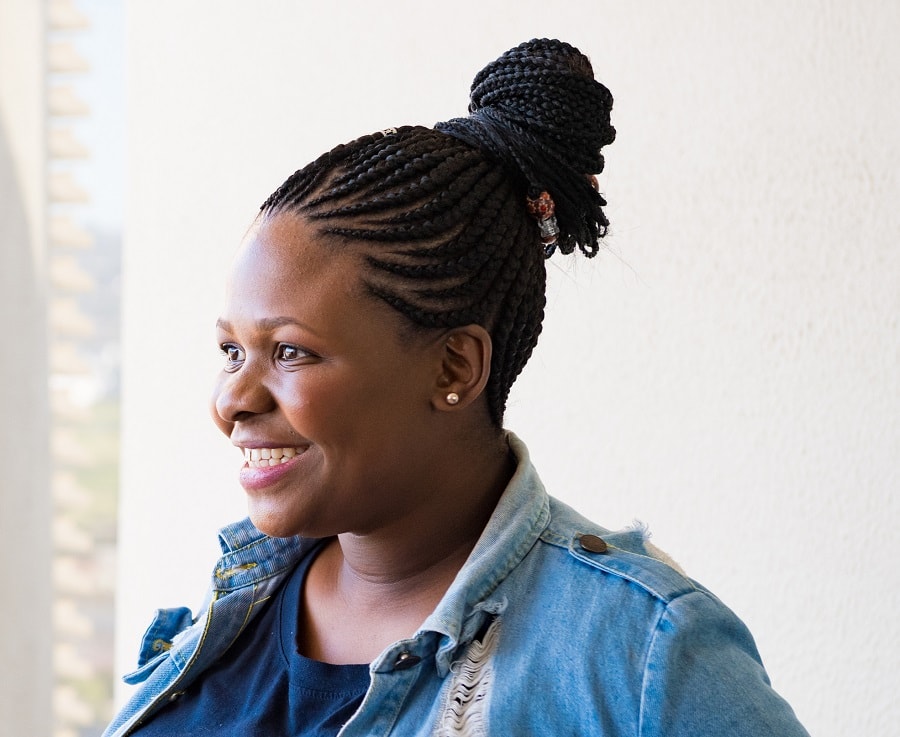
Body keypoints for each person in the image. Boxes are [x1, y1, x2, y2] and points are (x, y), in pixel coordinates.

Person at [104, 39, 810, 736]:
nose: (231, 402)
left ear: (454, 369)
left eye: (289, 350)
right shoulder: (227, 618)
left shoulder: (642, 655)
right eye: (232, 350)